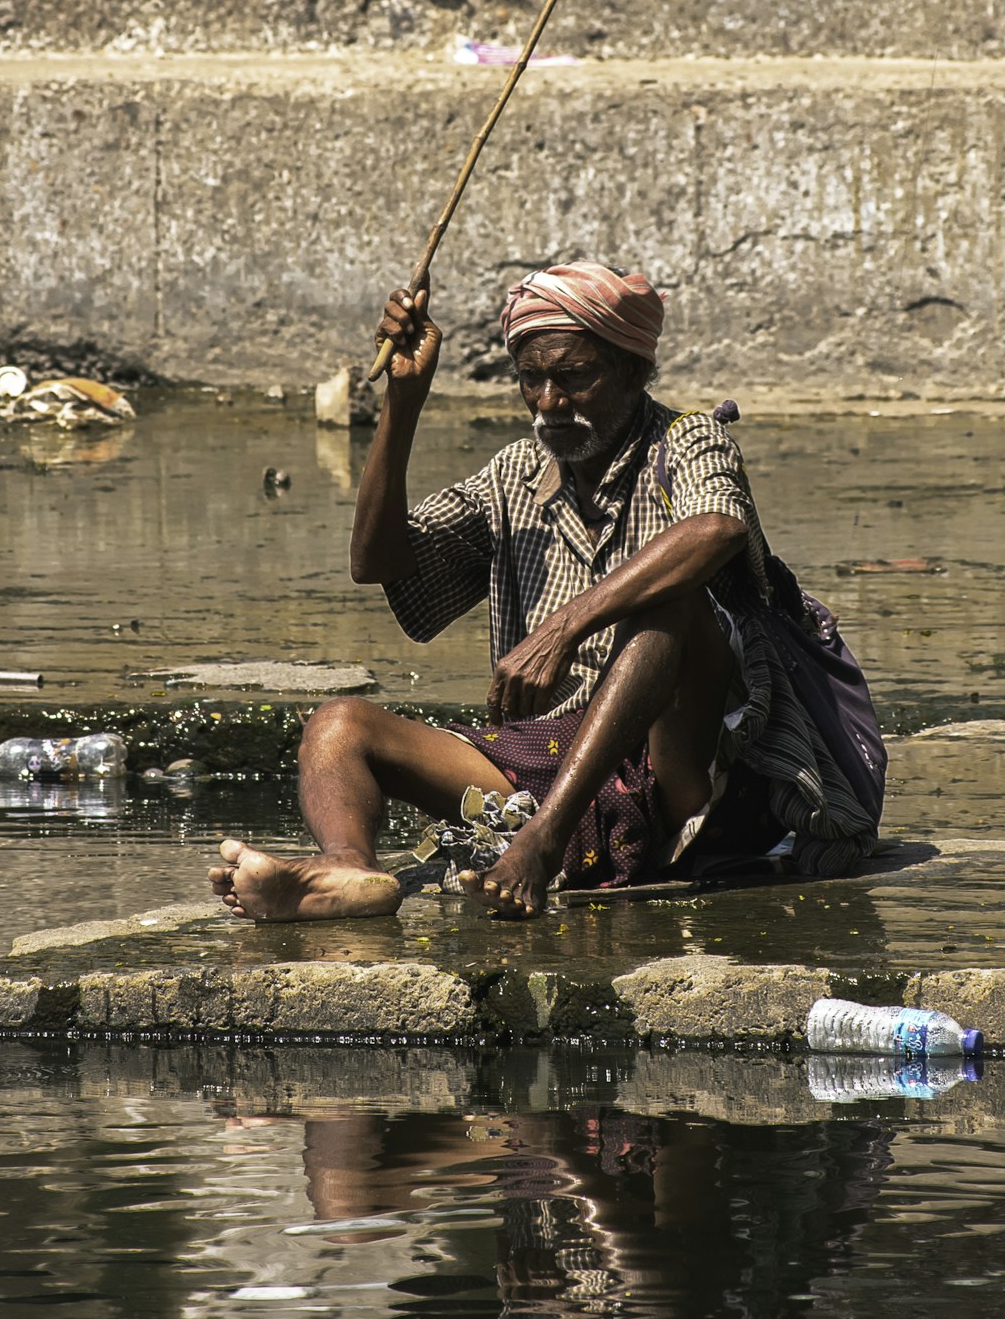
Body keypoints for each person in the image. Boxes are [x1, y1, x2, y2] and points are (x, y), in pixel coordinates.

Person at [210, 261, 884, 922]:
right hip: (541, 766)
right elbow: (377, 561)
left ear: (633, 369)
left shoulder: (686, 441)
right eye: (532, 380)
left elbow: (717, 527)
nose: (550, 403)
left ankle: (539, 845)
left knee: (669, 603)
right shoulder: (516, 473)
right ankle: (349, 872)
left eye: (575, 377)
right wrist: (404, 403)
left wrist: (564, 628)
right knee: (338, 726)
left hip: (679, 771)